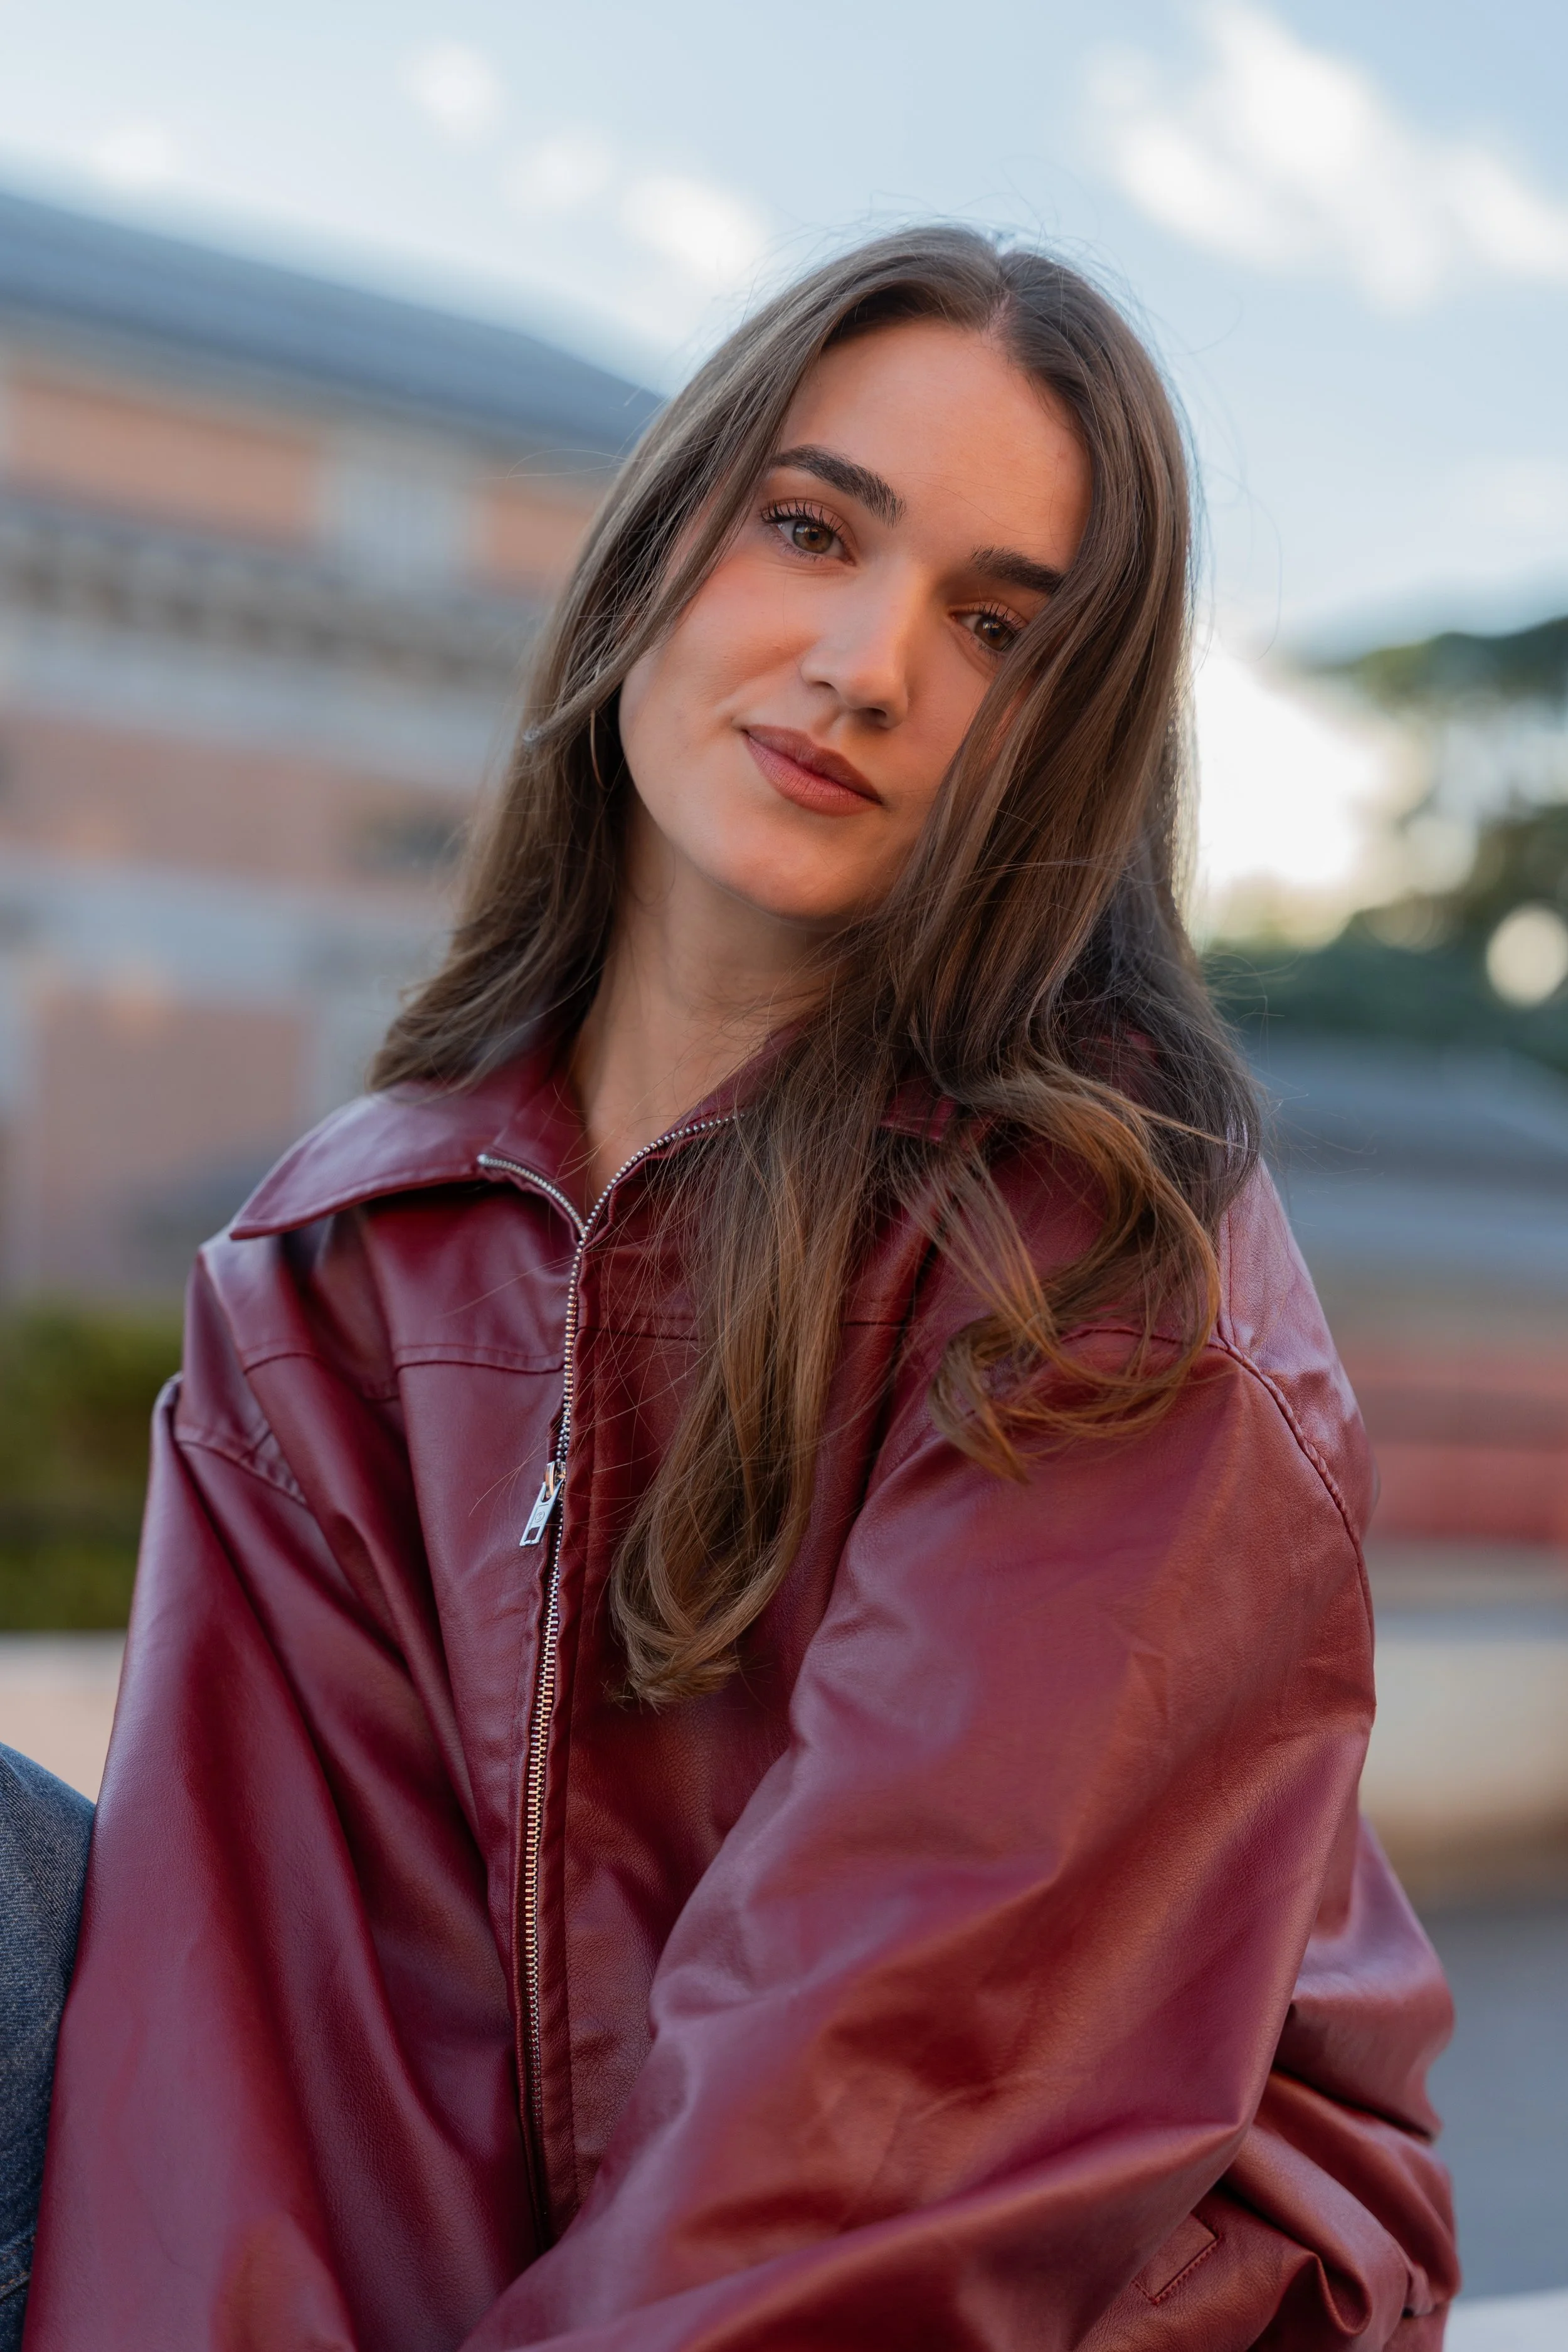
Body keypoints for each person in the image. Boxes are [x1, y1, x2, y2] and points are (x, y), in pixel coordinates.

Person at [17, 228, 1458, 2349]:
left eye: (994, 628)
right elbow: (257, 2062)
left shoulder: (1104, 1248)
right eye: (809, 528)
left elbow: (905, 2104)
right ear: (654, 561)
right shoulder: (332, 1261)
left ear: (1060, 747)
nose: (869, 665)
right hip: (556, 2233)